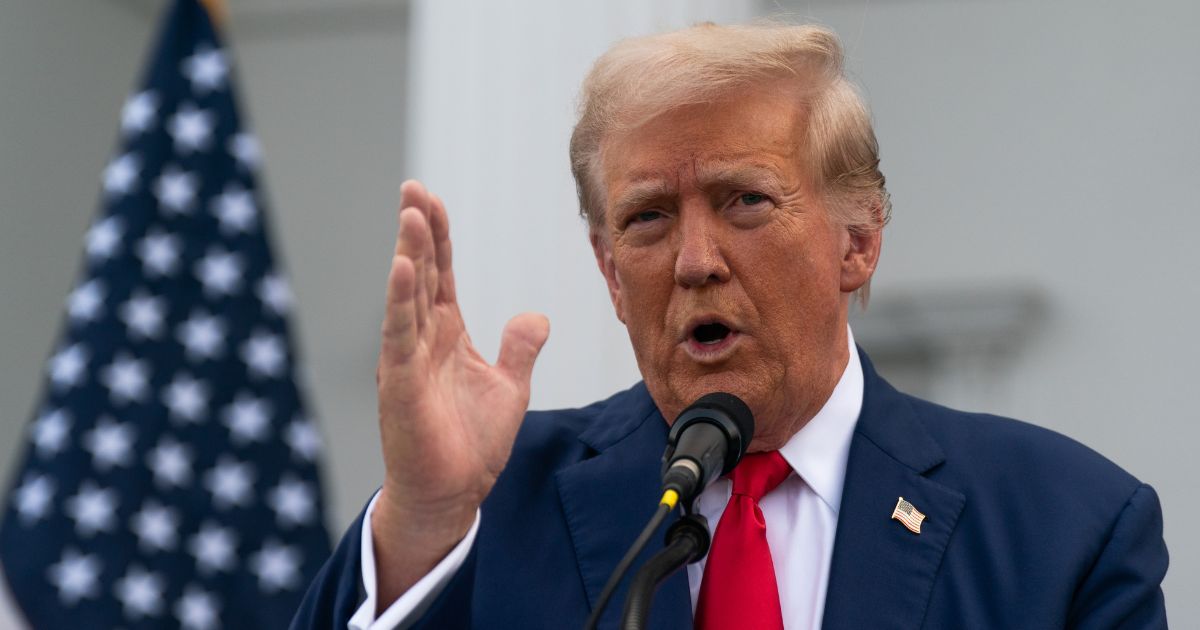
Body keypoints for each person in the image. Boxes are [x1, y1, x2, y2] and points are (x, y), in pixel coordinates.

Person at [291, 23, 1168, 630]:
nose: (694, 259)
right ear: (611, 276)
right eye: (647, 219)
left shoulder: (1064, 526)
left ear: (856, 244)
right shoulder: (489, 507)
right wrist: (421, 520)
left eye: (745, 201)